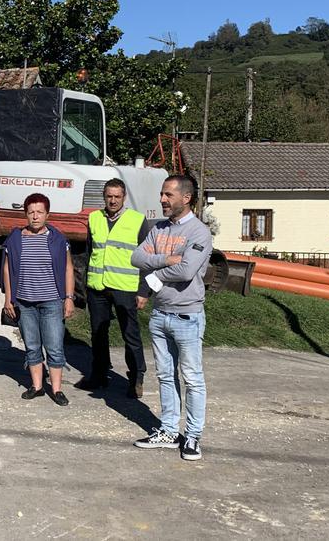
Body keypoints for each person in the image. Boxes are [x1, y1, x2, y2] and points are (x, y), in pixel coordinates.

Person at [131, 174, 213, 462]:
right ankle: (168, 430)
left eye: (168, 195)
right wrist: (166, 260)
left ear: (186, 198)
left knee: (191, 378)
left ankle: (192, 436)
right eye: (162, 194)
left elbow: (187, 271)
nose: (162, 199)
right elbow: (136, 257)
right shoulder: (159, 229)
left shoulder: (199, 232)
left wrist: (154, 276)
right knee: (165, 376)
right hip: (160, 315)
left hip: (187, 316)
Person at [79, 178, 153, 398]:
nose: (112, 201)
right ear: (104, 196)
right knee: (98, 333)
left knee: (130, 334)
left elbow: (147, 259)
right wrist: (85, 285)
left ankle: (136, 377)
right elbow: (89, 252)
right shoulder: (94, 218)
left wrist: (143, 291)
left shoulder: (137, 220)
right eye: (109, 196)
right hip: (97, 287)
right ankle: (99, 374)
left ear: (124, 197)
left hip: (125, 287)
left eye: (117, 197)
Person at [2, 193, 75, 406]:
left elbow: (68, 268)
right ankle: (37, 386)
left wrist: (68, 298)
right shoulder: (15, 238)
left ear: (47, 214)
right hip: (24, 302)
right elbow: (7, 269)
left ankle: (57, 389)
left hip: (52, 301)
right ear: (25, 214)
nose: (35, 216)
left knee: (53, 346)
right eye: (31, 212)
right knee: (32, 345)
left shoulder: (58, 239)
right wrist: (9, 298)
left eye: (40, 212)